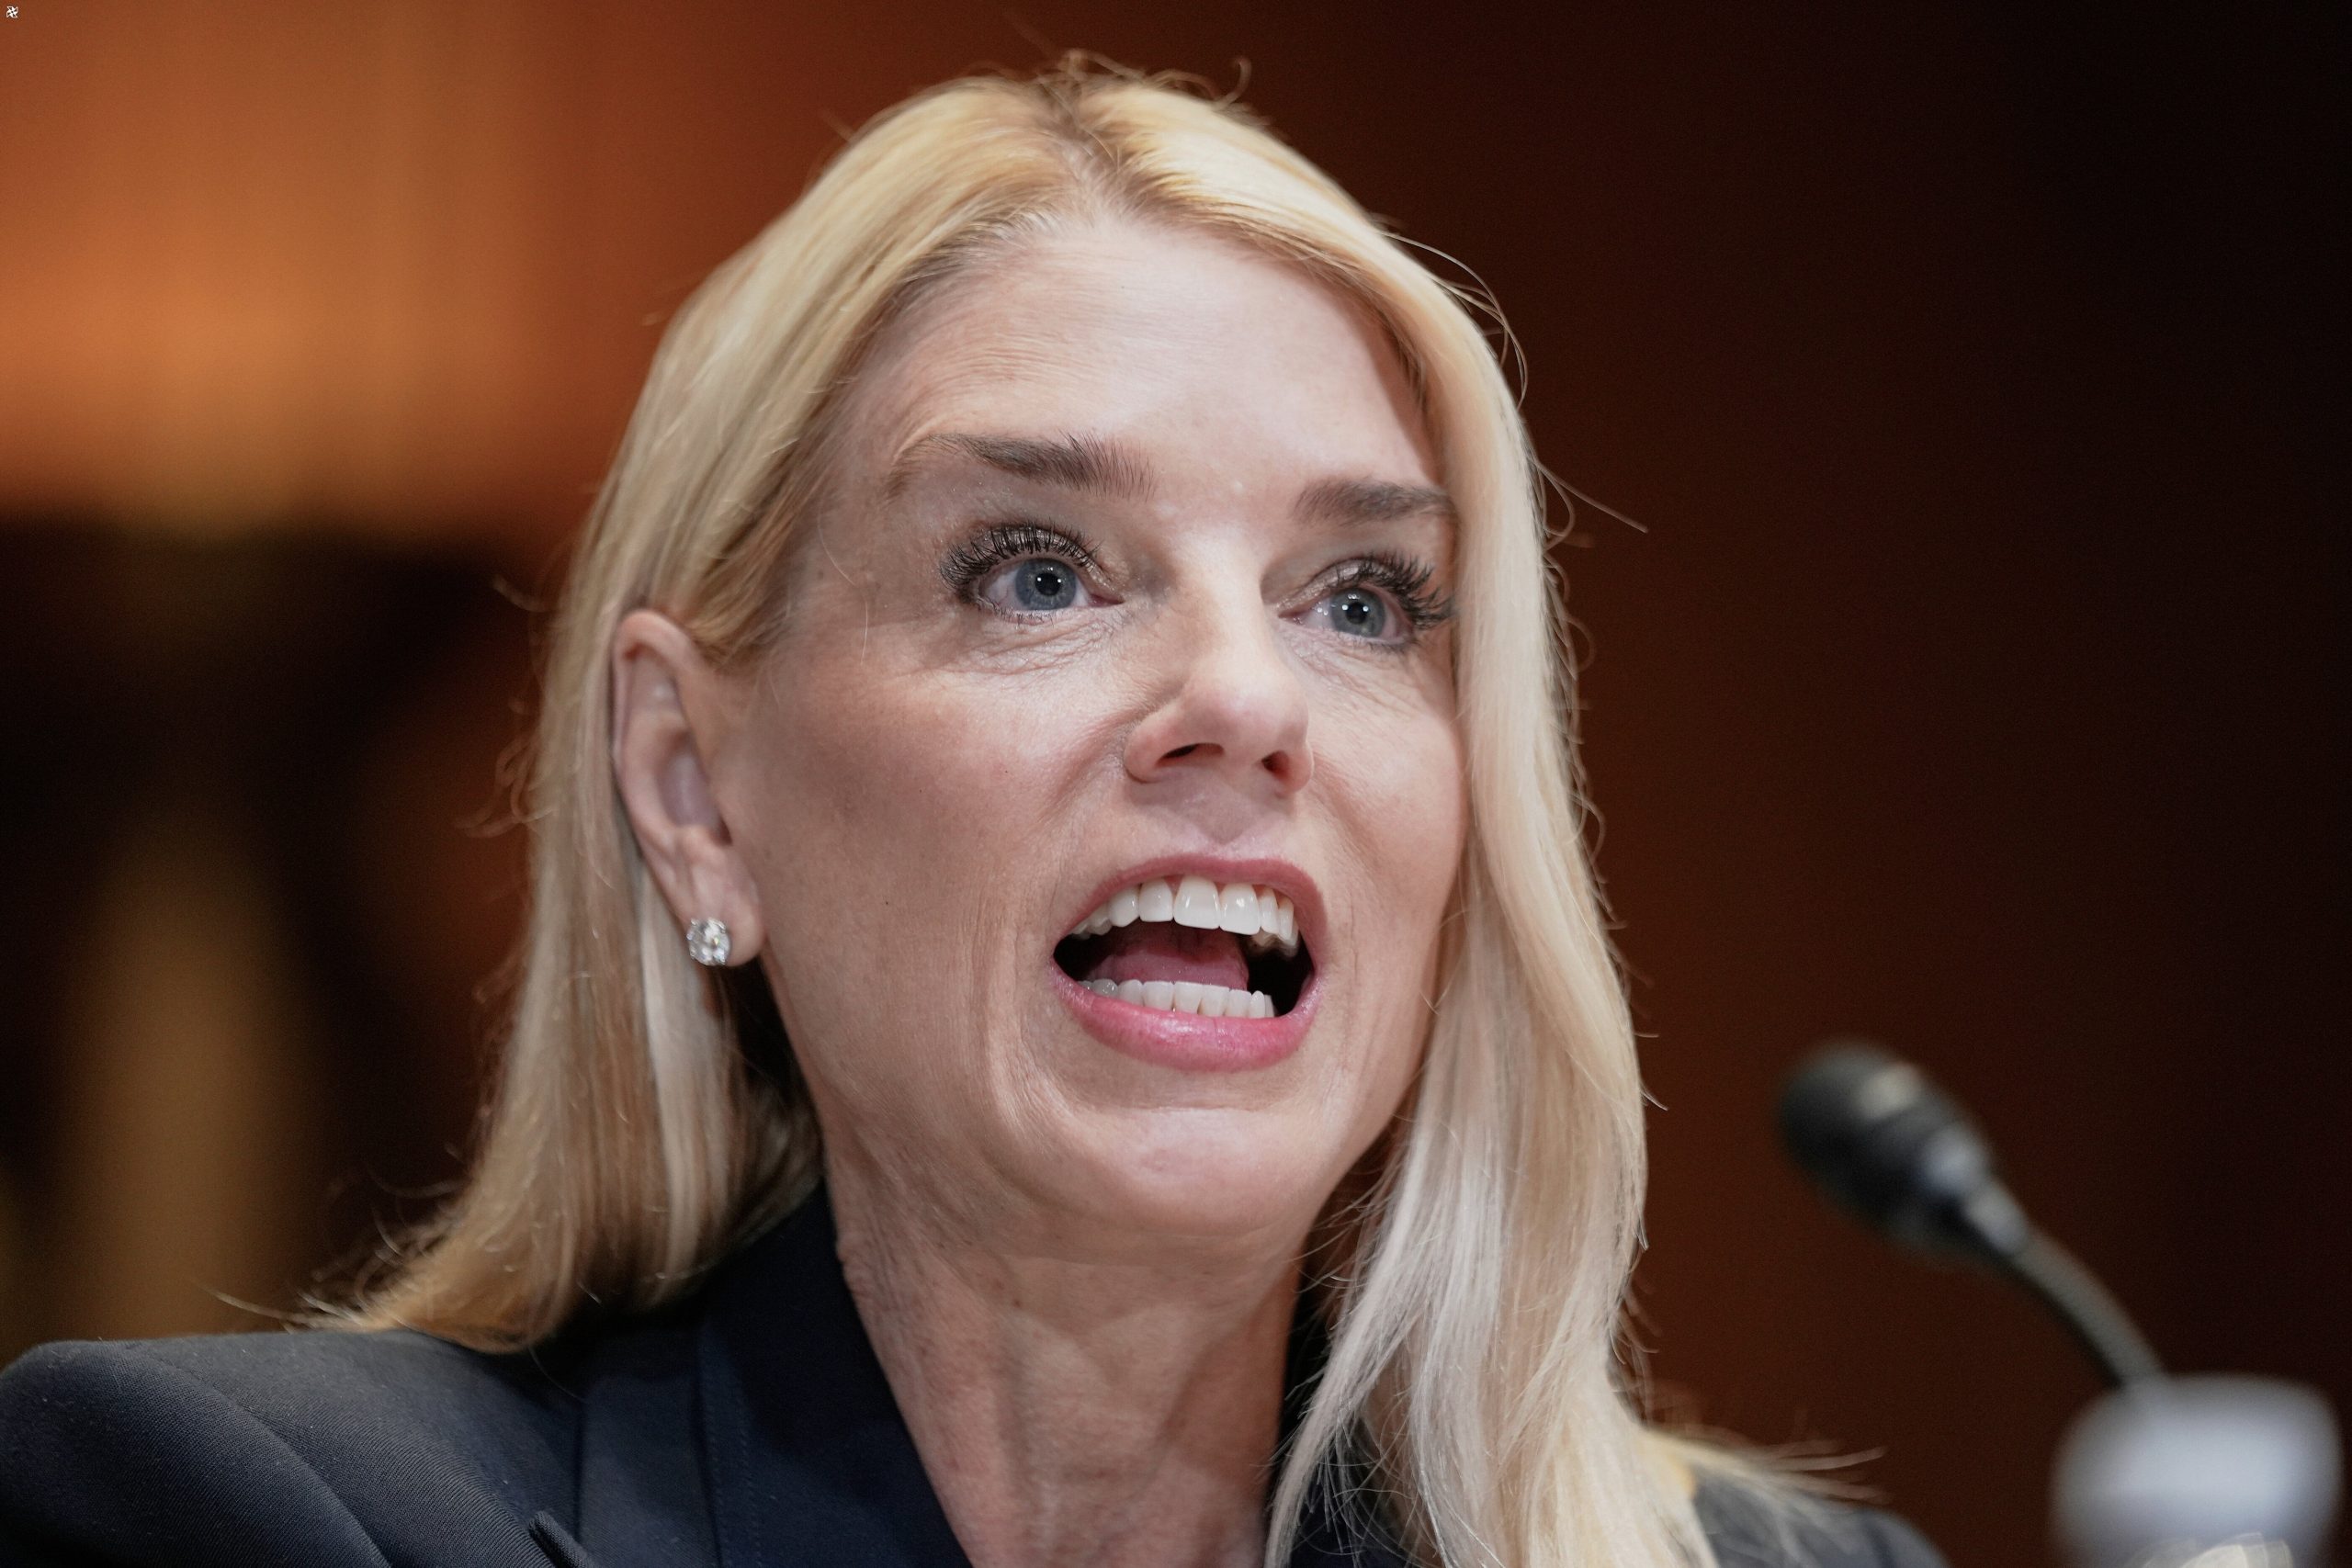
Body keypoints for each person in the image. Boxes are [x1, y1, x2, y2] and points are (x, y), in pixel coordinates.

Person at [0, 59, 1944, 1568]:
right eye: (1038, 571)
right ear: (692, 789)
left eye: (1360, 601)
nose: (1245, 700)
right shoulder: (249, 1518)